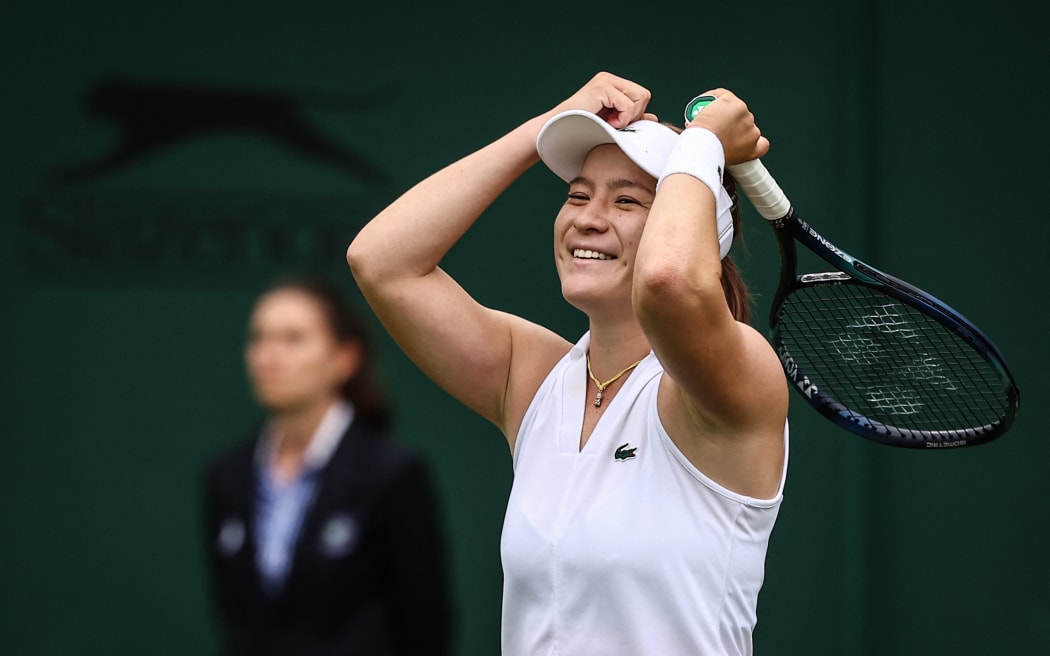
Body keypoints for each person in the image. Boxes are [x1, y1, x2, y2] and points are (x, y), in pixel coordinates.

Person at [346, 72, 789, 655]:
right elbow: (380, 261)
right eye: (578, 195)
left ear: (695, 232)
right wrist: (547, 126)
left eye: (627, 200)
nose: (587, 217)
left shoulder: (737, 375)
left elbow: (667, 281)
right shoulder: (534, 379)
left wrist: (703, 142)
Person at [201, 274, 453, 656]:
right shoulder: (225, 477)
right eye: (259, 338)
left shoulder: (393, 475)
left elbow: (425, 628)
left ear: (344, 358)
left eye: (293, 339)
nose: (269, 356)